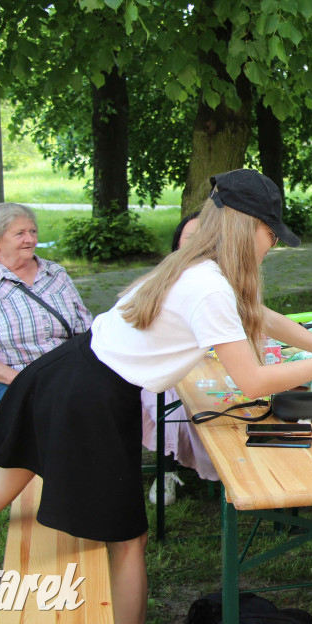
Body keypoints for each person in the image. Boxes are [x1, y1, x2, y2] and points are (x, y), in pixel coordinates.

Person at [0, 169, 312, 624]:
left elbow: (263, 317)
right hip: (90, 397)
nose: (274, 244)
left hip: (67, 372)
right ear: (247, 227)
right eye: (271, 233)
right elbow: (251, 382)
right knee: (126, 540)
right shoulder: (210, 286)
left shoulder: (197, 265)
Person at [0, 203, 92, 412]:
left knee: (104, 402)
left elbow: (85, 330)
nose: (31, 239)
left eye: (33, 231)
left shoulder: (56, 274)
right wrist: (24, 380)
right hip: (5, 381)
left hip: (62, 375)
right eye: (20, 234)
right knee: (48, 413)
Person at [141, 211, 217, 508]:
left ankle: (236, 467)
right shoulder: (160, 280)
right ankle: (167, 471)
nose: (198, 243)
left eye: (205, 237)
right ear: (177, 244)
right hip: (163, 367)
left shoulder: (224, 280)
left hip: (213, 365)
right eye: (190, 237)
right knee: (169, 402)